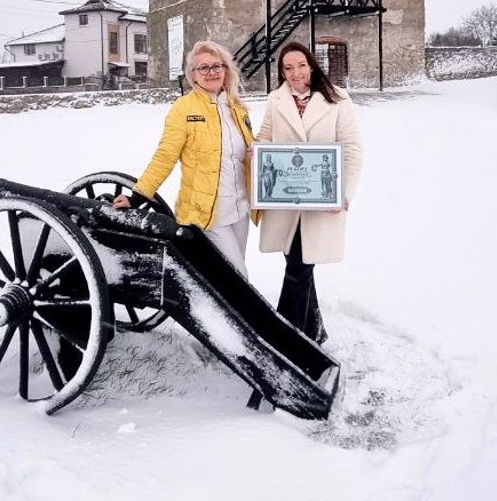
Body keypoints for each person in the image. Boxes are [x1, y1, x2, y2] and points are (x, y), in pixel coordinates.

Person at [253, 42, 363, 346]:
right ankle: (315, 331)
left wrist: (343, 191)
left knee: (299, 266)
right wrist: (256, 149)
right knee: (297, 263)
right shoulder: (276, 100)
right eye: (287, 68)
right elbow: (266, 135)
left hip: (321, 199)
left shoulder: (338, 99)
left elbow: (352, 148)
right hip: (286, 199)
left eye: (300, 65)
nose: (295, 73)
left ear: (311, 65)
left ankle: (287, 339)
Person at [113, 41, 254, 274]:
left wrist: (257, 151)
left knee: (225, 278)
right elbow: (165, 156)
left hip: (240, 208)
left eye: (217, 66)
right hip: (207, 212)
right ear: (193, 76)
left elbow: (244, 153)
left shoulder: (238, 108)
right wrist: (137, 197)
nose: (212, 72)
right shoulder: (184, 109)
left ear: (226, 70)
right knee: (238, 278)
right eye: (203, 68)